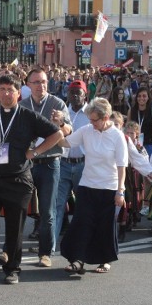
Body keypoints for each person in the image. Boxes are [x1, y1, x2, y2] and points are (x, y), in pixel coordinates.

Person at [0, 74, 63, 287]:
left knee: (15, 228)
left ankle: (12, 269)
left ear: (18, 92)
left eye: (10, 90)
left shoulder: (28, 116)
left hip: (18, 180)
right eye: (2, 89)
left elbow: (57, 134)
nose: (6, 94)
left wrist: (35, 152)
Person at [59, 98, 127, 275]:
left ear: (105, 118)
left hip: (108, 187)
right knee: (82, 223)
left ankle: (105, 260)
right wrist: (57, 127)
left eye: (94, 119)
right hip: (87, 185)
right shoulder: (87, 130)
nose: (91, 122)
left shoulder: (117, 136)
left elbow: (122, 166)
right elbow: (66, 142)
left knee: (104, 226)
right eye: (90, 119)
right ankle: (78, 259)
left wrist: (120, 191)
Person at [20, 68, 71, 267]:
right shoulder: (23, 105)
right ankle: (12, 249)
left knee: (48, 210)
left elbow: (68, 130)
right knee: (21, 207)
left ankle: (45, 253)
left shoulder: (57, 103)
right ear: (28, 85)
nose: (40, 85)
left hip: (50, 162)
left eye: (43, 82)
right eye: (36, 82)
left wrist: (60, 123)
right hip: (28, 163)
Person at [55, 80, 90, 248]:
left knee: (83, 205)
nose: (75, 96)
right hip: (63, 163)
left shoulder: (91, 114)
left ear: (85, 95)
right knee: (58, 204)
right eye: (72, 93)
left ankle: (80, 240)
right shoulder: (63, 113)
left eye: (79, 93)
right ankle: (50, 245)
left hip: (83, 165)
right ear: (67, 95)